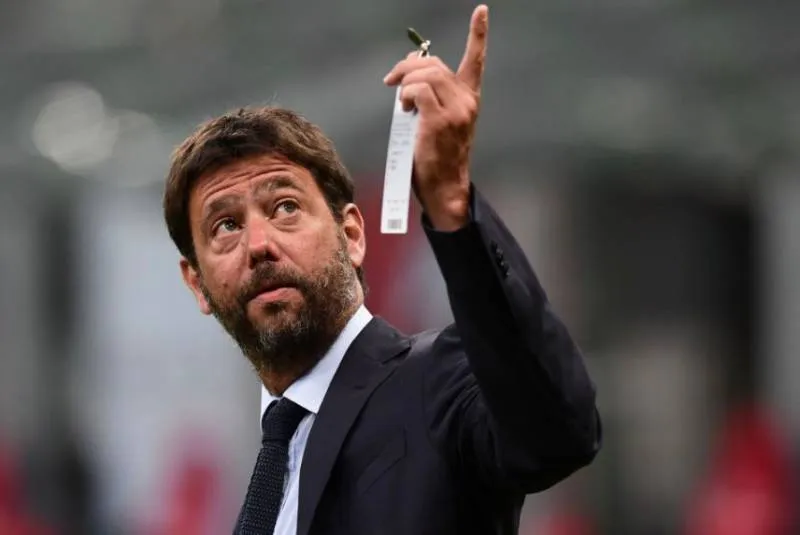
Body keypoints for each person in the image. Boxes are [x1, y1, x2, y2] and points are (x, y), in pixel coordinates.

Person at [162, 5, 601, 535]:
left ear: (352, 235)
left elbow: (557, 434)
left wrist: (452, 204)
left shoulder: (438, 382)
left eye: (285, 207)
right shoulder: (266, 483)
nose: (259, 244)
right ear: (196, 283)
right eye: (226, 225)